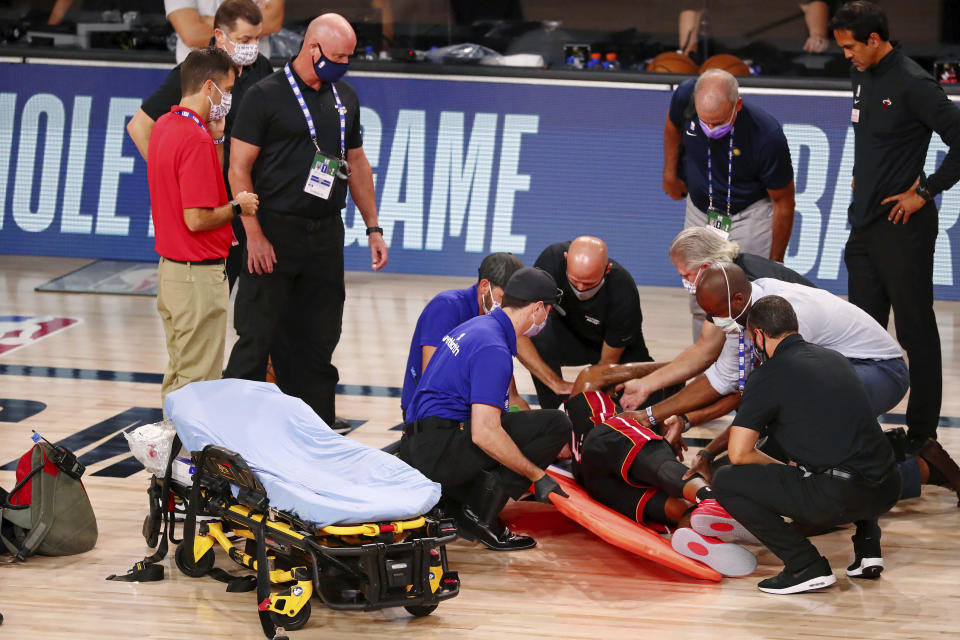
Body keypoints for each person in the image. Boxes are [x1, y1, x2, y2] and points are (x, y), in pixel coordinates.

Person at [222, 13, 388, 427]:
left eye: (349, 57)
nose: (343, 64)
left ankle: (314, 436)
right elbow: (238, 169)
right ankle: (227, 438)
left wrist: (373, 227)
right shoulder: (264, 96)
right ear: (312, 48)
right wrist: (252, 233)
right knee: (256, 340)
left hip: (325, 234)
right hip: (273, 231)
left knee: (318, 343)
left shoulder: (344, 96)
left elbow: (357, 163)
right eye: (337, 56)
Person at [831, 1, 960, 447]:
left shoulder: (913, 83)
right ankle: (858, 431)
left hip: (903, 229)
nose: (846, 55)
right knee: (862, 334)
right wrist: (863, 174)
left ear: (874, 39)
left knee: (915, 332)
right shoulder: (860, 74)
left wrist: (924, 192)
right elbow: (871, 136)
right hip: (863, 228)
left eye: (850, 47)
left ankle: (924, 438)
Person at [710, 296, 901, 594]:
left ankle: (805, 566)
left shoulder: (768, 375)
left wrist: (785, 469)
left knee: (726, 479)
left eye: (750, 337)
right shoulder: (834, 358)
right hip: (888, 487)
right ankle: (868, 550)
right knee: (853, 446)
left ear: (758, 334)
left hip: (840, 496)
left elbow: (739, 452)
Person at [399, 267, 572, 551]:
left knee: (508, 425)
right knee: (555, 425)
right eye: (549, 312)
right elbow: (484, 433)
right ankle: (480, 516)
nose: (546, 320)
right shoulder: (494, 348)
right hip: (437, 453)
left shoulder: (474, 327)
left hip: (419, 442)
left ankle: (453, 500)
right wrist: (537, 476)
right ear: (538, 308)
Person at [128, 0, 274, 291]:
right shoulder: (193, 73)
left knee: (258, 304)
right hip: (216, 208)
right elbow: (139, 127)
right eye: (245, 40)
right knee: (210, 300)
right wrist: (175, 180)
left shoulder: (262, 68)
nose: (252, 47)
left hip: (252, 199)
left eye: (258, 39)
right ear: (220, 35)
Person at [147, 47, 258, 403]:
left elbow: (197, 186)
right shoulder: (194, 140)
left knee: (180, 376)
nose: (229, 97)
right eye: (227, 89)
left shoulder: (166, 125)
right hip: (197, 278)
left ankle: (168, 457)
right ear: (209, 87)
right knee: (198, 387)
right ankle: (184, 459)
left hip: (173, 274)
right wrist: (237, 207)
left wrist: (219, 139)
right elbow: (196, 218)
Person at [565, 390, 757, 577]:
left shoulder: (566, 429)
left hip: (595, 486)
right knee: (659, 463)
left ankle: (690, 529)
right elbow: (730, 389)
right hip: (605, 440)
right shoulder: (593, 395)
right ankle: (712, 499)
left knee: (682, 503)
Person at [663, 69, 796, 338]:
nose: (711, 130)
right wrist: (670, 172)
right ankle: (706, 369)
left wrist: (776, 263)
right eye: (705, 122)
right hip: (701, 211)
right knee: (701, 295)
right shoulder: (685, 96)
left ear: (738, 105)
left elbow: (783, 202)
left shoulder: (767, 135)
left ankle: (752, 373)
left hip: (749, 214)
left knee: (752, 298)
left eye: (719, 122)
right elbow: (672, 127)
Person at [619, 227, 811, 412]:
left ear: (704, 267)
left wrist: (655, 413)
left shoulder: (734, 288)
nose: (685, 282)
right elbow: (705, 349)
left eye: (686, 275)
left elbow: (726, 376)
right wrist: (646, 385)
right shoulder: (727, 277)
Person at [520, 237, 652, 409]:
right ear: (566, 259)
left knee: (641, 402)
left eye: (589, 283)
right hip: (569, 334)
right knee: (535, 331)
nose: (581, 288)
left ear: (607, 270)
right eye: (575, 281)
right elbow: (519, 328)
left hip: (612, 347)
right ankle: (553, 410)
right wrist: (556, 384)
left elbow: (606, 365)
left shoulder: (623, 291)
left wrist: (591, 394)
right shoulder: (551, 261)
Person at [401, 252, 526, 419]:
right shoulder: (446, 306)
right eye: (503, 298)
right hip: (432, 417)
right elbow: (431, 381)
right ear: (484, 286)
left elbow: (511, 396)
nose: (506, 307)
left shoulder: (497, 322)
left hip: (467, 412)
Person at [165, 0, 282, 64]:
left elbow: (272, 22)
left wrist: (205, 20)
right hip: (200, 78)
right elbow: (192, 34)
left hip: (253, 73)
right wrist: (248, 16)